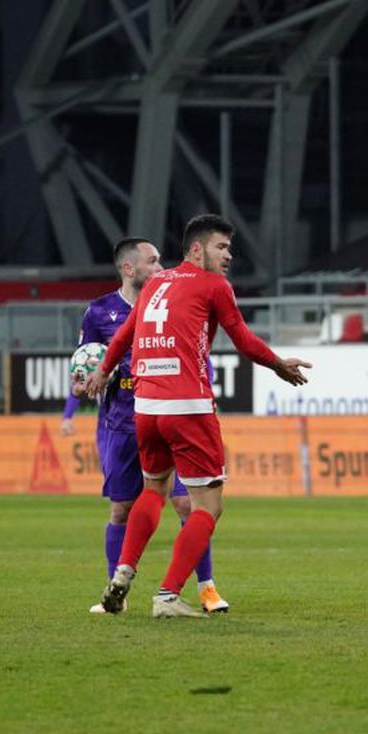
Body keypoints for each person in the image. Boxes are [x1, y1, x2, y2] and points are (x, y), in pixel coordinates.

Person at [85, 214, 311, 618]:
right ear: (195, 249)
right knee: (208, 506)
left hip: (146, 408)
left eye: (229, 249)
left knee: (153, 490)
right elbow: (242, 338)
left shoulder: (155, 284)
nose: (228, 255)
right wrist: (278, 364)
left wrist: (102, 371)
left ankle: (123, 573)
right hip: (187, 406)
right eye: (220, 247)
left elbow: (125, 336)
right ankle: (168, 595)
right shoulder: (213, 285)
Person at [63, 238, 228, 614]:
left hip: (170, 415)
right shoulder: (98, 312)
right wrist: (81, 385)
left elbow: (200, 355)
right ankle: (115, 595)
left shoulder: (173, 301)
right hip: (122, 424)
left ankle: (206, 588)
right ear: (128, 269)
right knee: (121, 508)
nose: (160, 268)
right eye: (152, 262)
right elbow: (84, 364)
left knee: (187, 504)